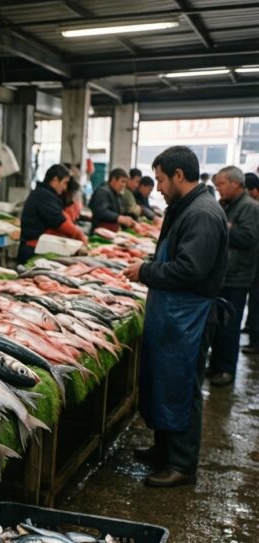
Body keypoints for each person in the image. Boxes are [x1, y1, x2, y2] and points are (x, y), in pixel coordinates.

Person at [122, 146, 227, 488]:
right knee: (164, 384)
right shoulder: (185, 207)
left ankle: (182, 464)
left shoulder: (202, 214)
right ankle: (164, 449)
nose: (159, 188)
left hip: (189, 318)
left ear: (179, 175)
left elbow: (190, 269)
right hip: (174, 314)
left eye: (162, 180)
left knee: (182, 389)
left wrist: (145, 271)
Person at [207, 166, 259, 384]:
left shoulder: (249, 207)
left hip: (237, 276)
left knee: (230, 325)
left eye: (221, 184)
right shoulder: (226, 204)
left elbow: (248, 237)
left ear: (235, 183)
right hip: (224, 274)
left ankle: (226, 370)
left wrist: (226, 228)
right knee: (218, 324)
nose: (217, 188)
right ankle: (216, 365)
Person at [17, 163, 87, 265]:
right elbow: (60, 221)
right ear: (55, 180)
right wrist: (79, 234)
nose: (65, 187)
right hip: (33, 250)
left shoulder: (47, 195)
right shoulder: (43, 195)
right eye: (64, 183)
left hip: (40, 248)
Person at [89, 168, 137, 233]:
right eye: (122, 181)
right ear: (114, 180)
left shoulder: (115, 193)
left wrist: (130, 220)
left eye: (125, 182)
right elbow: (101, 211)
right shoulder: (102, 191)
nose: (124, 185)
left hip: (111, 231)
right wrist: (119, 218)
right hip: (100, 232)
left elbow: (116, 212)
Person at [242, 172, 259, 354]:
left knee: (256, 301)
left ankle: (256, 342)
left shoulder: (252, 207)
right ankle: (251, 329)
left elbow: (249, 237)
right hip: (252, 262)